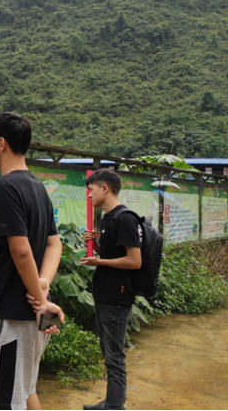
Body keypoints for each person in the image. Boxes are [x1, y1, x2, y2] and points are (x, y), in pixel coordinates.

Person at [0, 112, 65, 411]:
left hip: (10, 315)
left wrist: (41, 302)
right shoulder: (38, 187)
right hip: (31, 315)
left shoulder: (6, 187)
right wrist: (44, 285)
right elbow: (54, 243)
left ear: (1, 143)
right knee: (25, 390)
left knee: (5, 401)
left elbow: (21, 251)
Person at [81, 169, 142, 411]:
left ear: (104, 188)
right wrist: (95, 244)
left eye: (91, 190)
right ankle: (112, 401)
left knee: (115, 355)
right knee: (108, 352)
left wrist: (99, 261)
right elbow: (111, 255)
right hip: (105, 294)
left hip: (117, 297)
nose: (89, 195)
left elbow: (134, 261)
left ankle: (115, 406)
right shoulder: (108, 219)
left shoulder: (125, 218)